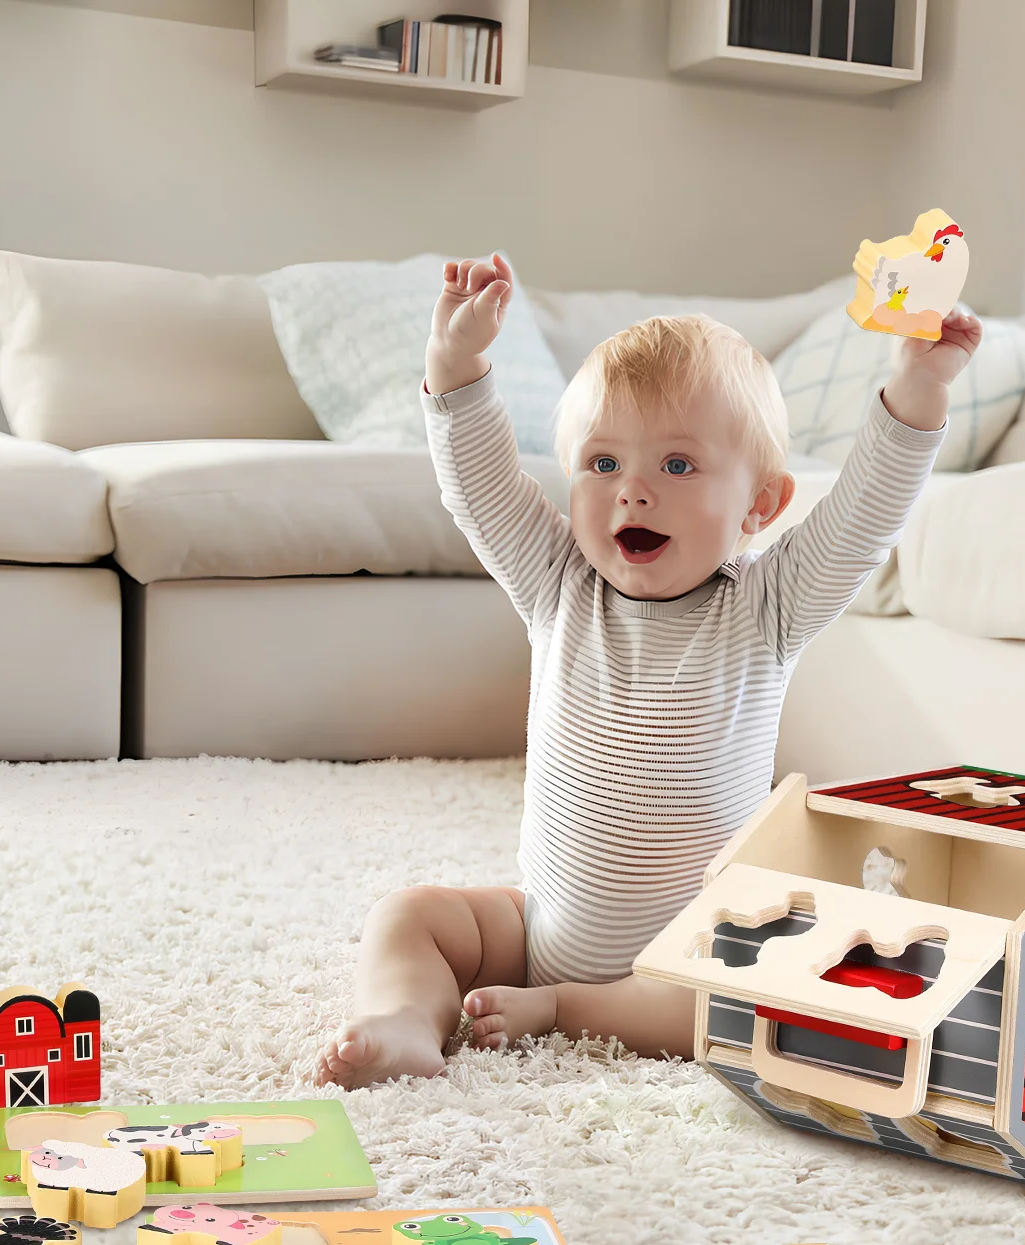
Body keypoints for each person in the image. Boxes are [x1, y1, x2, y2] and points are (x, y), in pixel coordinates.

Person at [320, 253, 980, 1087]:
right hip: (543, 932)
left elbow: (865, 514)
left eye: (676, 466)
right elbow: (479, 486)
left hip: (692, 953)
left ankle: (568, 1011)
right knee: (409, 916)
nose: (632, 492)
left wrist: (918, 391)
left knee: (747, 996)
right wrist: (456, 365)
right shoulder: (556, 583)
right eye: (603, 465)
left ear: (760, 506)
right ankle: (403, 1019)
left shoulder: (768, 607)